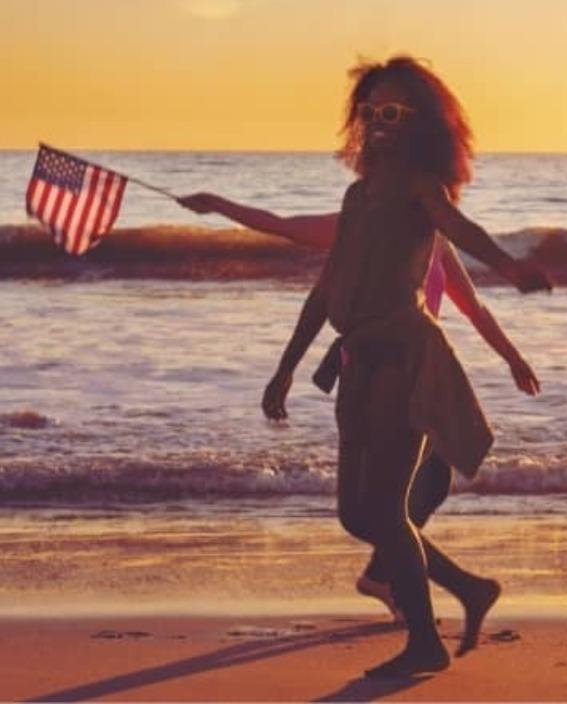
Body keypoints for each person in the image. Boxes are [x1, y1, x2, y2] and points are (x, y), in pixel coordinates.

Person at [205, 56, 549, 678]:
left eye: (393, 112)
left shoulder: (421, 189)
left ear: (418, 124)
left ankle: (424, 643)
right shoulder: (357, 194)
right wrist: (285, 368)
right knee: (357, 516)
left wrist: (512, 267)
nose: (379, 122)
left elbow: (461, 230)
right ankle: (469, 590)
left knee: (387, 511)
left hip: (404, 361)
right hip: (356, 364)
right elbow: (326, 287)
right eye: (370, 111)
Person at [177, 196, 542, 619]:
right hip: (373, 381)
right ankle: (435, 587)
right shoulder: (359, 222)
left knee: (429, 484)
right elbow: (284, 225)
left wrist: (514, 358)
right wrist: (217, 205)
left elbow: (475, 309)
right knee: (373, 509)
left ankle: (388, 577)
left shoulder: (435, 237)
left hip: (421, 373)